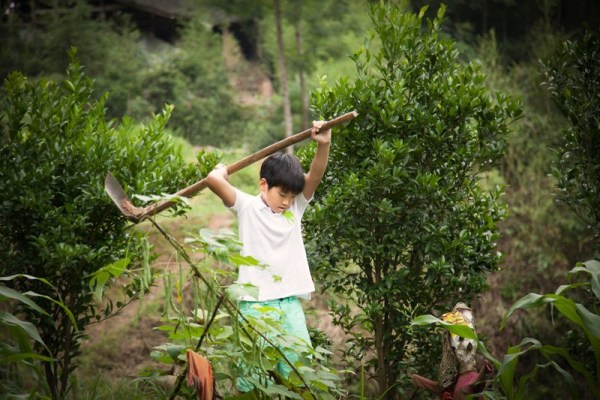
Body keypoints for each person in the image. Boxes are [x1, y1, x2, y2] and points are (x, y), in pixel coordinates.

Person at [205, 121, 331, 392]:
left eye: (292, 195)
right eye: (282, 194)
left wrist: (324, 144)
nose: (286, 201)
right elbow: (213, 181)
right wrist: (221, 170)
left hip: (289, 302)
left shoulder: (295, 208)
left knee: (299, 369)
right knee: (254, 374)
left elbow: (316, 175)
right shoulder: (246, 207)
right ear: (263, 185)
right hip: (256, 304)